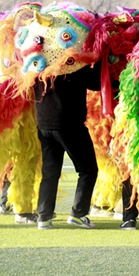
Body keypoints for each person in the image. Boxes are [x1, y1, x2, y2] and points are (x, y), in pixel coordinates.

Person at [34, 63, 101, 230]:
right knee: (88, 169)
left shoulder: (38, 63)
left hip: (44, 123)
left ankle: (44, 217)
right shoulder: (73, 63)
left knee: (50, 172)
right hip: (69, 124)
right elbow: (96, 82)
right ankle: (78, 214)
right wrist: (101, 61)